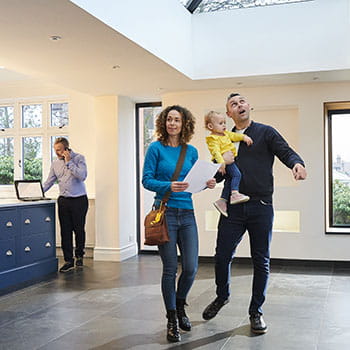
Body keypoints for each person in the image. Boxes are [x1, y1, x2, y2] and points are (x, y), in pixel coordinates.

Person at [202, 93, 307, 334]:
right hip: (232, 207)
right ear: (228, 114)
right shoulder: (223, 138)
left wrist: (296, 164)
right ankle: (222, 296)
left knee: (261, 261)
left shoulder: (265, 132)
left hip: (260, 205)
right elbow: (220, 170)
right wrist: (212, 177)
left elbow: (286, 151)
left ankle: (255, 311)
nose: (239, 106)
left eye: (242, 102)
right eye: (233, 104)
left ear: (249, 106)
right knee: (221, 256)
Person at [142, 105, 216, 343]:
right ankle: (172, 319)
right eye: (169, 119)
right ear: (164, 123)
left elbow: (193, 182)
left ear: (185, 125)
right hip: (165, 214)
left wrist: (208, 184)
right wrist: (168, 186)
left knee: (192, 267)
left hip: (187, 214)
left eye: (177, 120)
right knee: (170, 269)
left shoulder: (191, 151)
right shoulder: (155, 148)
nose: (173, 123)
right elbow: (146, 180)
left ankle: (180, 303)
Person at [43, 137, 88, 273]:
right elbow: (49, 182)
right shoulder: (55, 163)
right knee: (65, 231)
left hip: (79, 199)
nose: (57, 152)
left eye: (59, 150)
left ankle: (79, 255)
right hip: (64, 200)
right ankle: (68, 260)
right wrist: (36, 192)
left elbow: (82, 176)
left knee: (78, 229)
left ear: (66, 149)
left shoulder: (79, 158)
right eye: (55, 150)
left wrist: (69, 162)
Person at [205, 110, 253, 217]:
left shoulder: (225, 134)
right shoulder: (212, 139)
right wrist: (222, 163)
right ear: (210, 126)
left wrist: (244, 137)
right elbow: (216, 152)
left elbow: (234, 136)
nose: (224, 125)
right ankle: (235, 194)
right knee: (237, 175)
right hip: (223, 162)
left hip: (227, 162)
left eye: (224, 123)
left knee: (230, 179)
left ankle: (222, 201)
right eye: (220, 123)